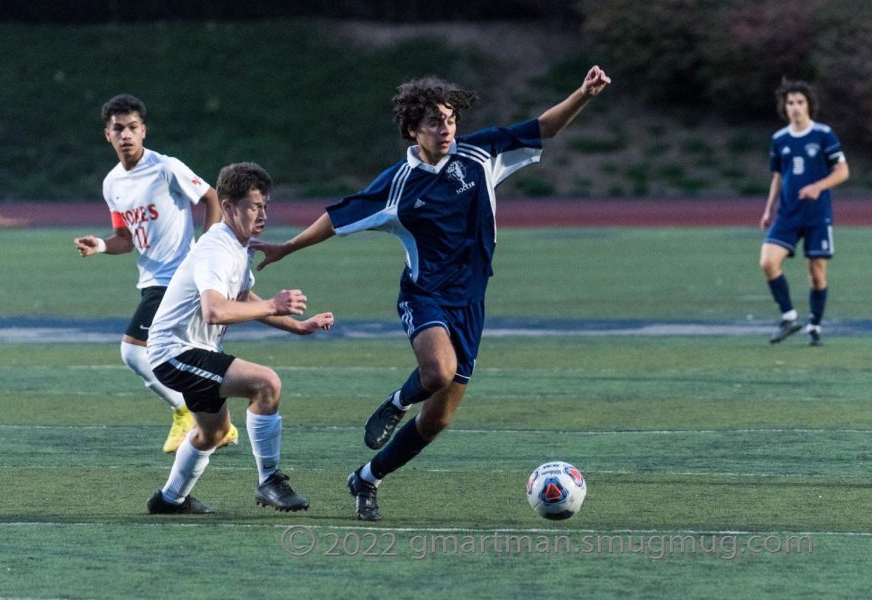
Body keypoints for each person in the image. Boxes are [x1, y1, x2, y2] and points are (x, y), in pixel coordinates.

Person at [251, 66, 611, 520]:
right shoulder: (397, 184)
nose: (446, 130)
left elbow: (545, 128)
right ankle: (396, 402)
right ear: (412, 129)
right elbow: (338, 216)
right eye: (434, 123)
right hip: (424, 297)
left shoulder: (481, 154)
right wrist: (287, 246)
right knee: (438, 372)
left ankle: (366, 478)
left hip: (470, 304)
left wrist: (583, 93)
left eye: (450, 119)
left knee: (438, 419)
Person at [145, 162, 334, 514]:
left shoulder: (238, 246)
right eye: (252, 206)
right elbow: (215, 310)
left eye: (265, 206)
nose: (262, 214)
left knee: (213, 433)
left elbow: (246, 301)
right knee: (266, 383)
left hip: (192, 351)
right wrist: (275, 305)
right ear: (229, 207)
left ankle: (169, 500)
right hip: (175, 352)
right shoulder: (217, 248)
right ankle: (270, 480)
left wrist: (300, 325)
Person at [74, 94, 237, 453]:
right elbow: (124, 239)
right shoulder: (112, 184)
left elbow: (211, 197)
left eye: (133, 127)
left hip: (176, 279)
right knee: (188, 354)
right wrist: (100, 246)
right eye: (119, 129)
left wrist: (207, 250)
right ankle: (216, 422)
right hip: (150, 281)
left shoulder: (166, 167)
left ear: (143, 130)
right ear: (108, 135)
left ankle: (184, 412)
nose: (126, 135)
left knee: (133, 352)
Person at [760, 80, 850, 346]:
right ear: (784, 107)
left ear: (809, 104)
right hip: (787, 214)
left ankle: (815, 325)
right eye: (790, 103)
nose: (796, 108)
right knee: (767, 262)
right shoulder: (779, 139)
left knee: (817, 272)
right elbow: (778, 176)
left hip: (816, 215)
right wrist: (768, 210)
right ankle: (789, 317)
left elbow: (843, 171)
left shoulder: (824, 134)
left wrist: (817, 186)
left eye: (800, 102)